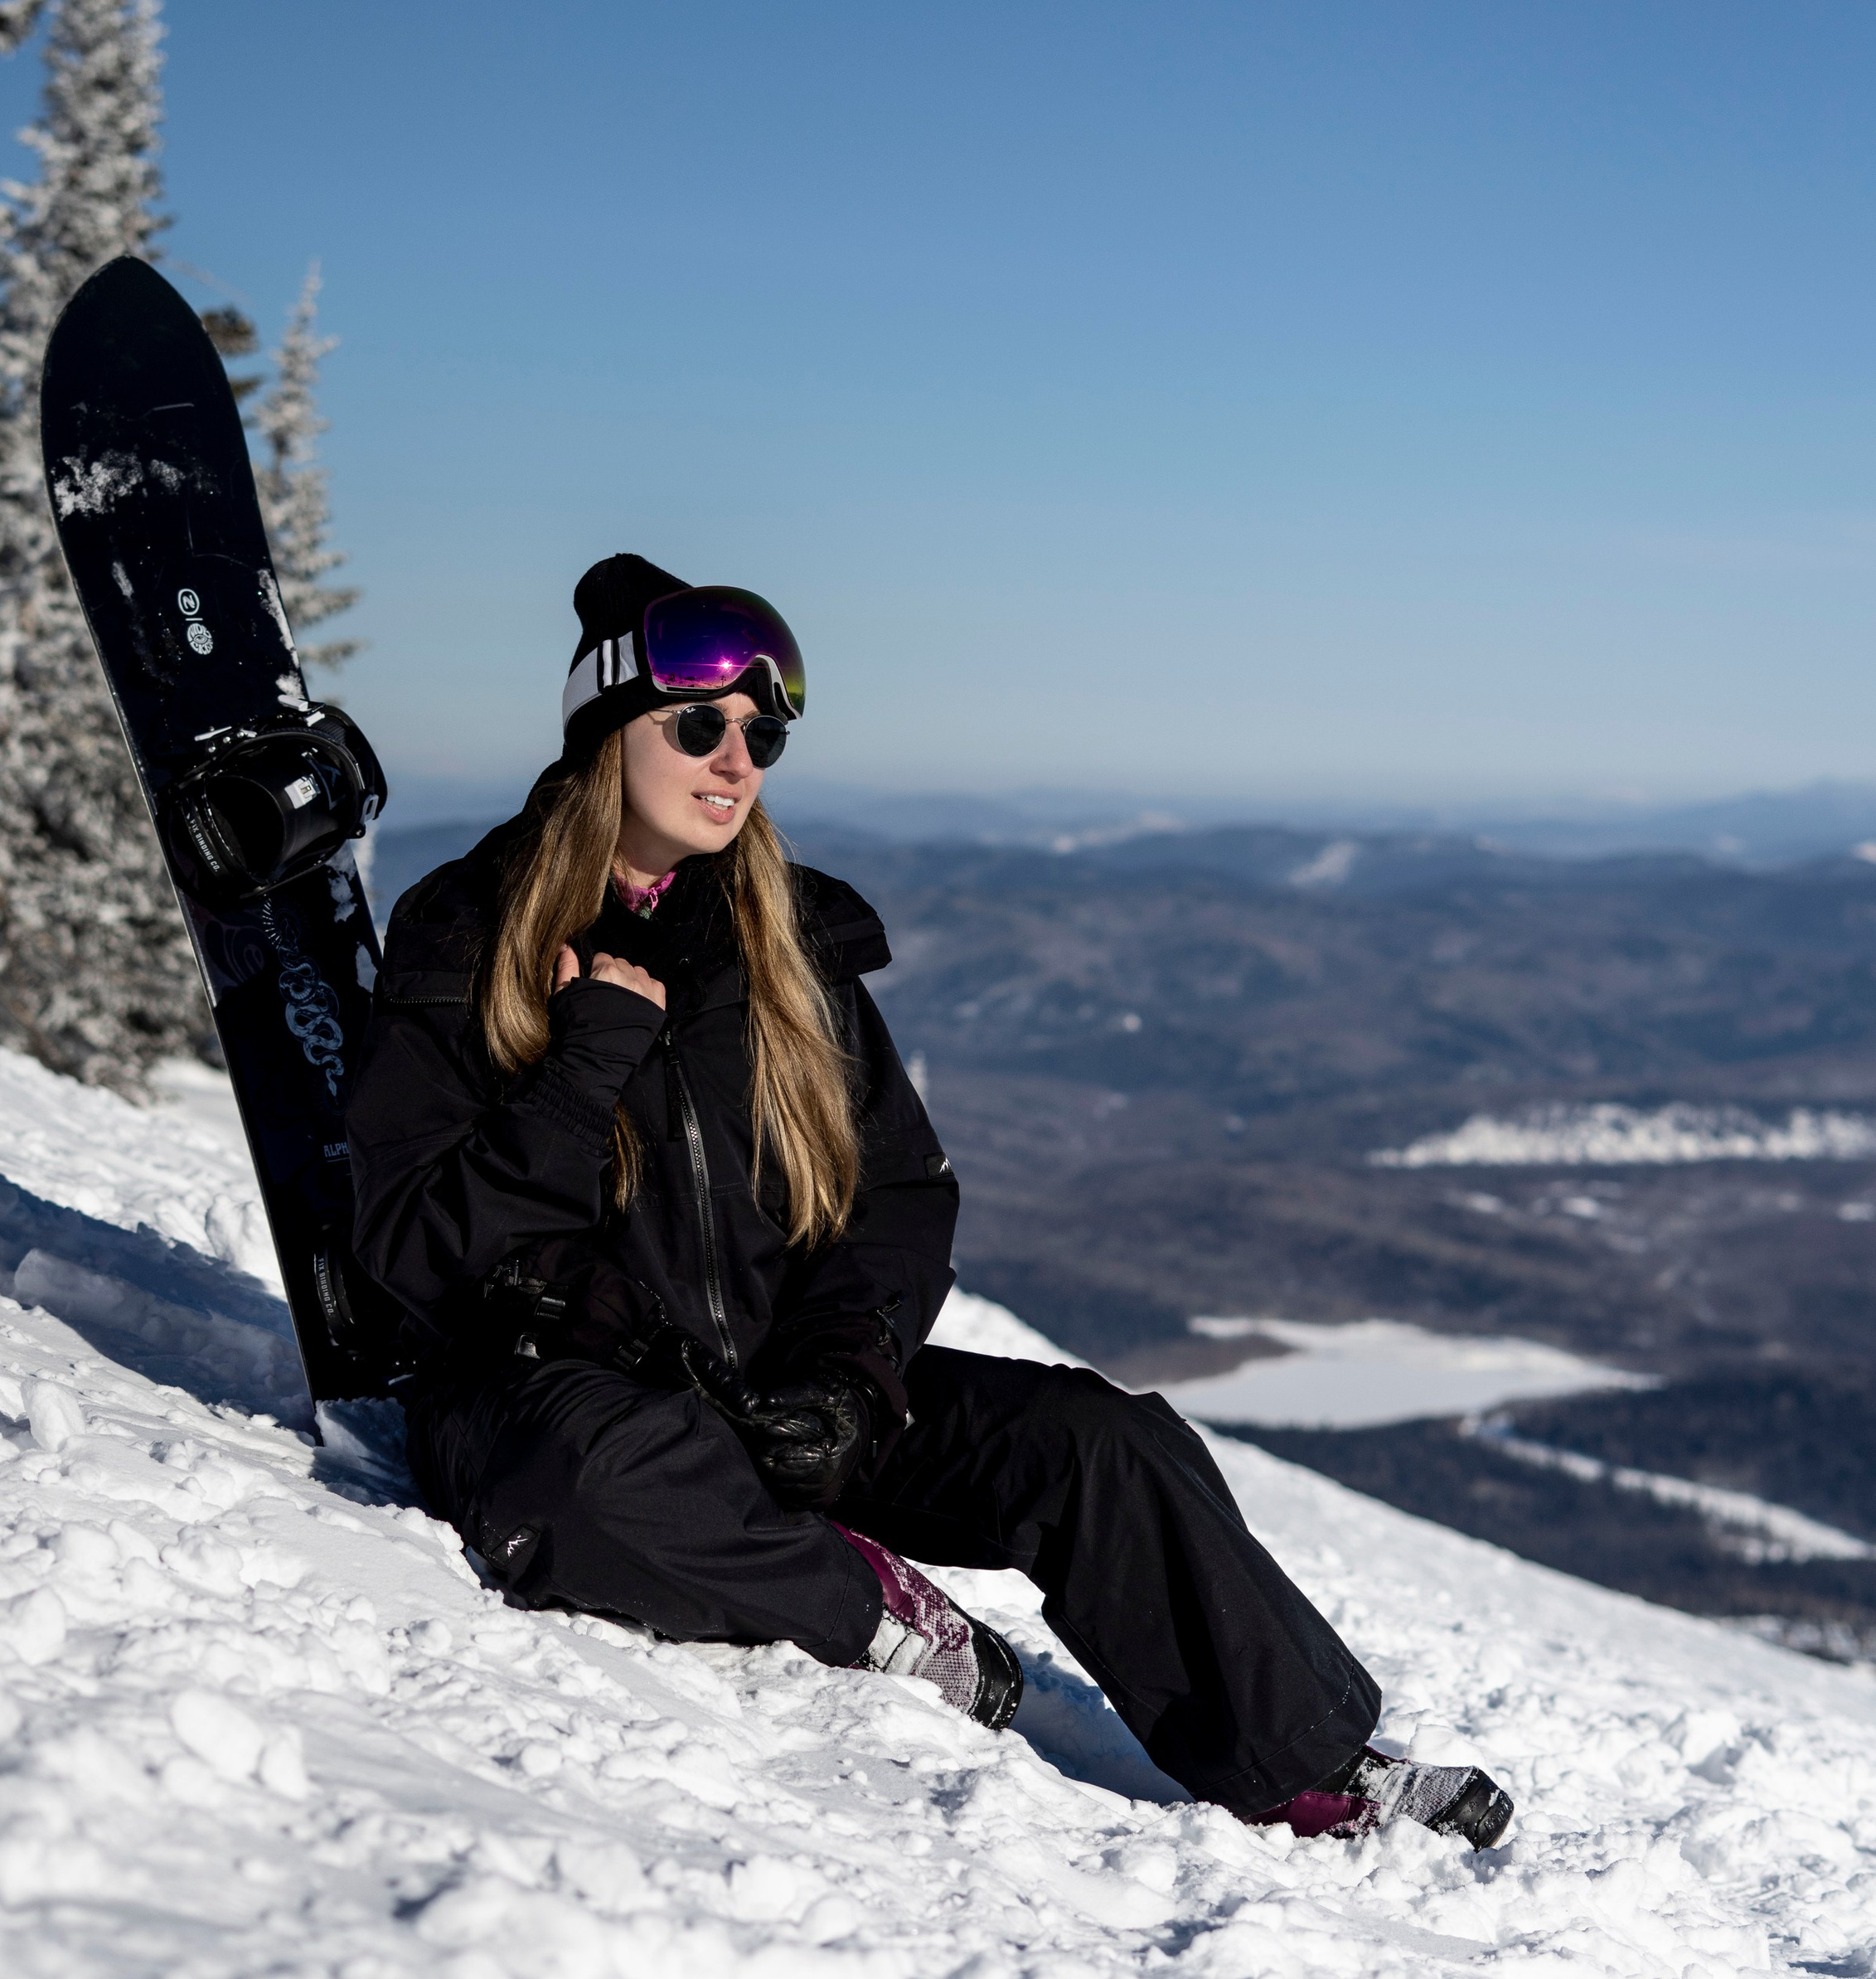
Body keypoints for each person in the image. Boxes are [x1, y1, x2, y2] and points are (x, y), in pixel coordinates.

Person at [348, 555, 1514, 1848]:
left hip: (771, 1390)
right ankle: (869, 1606)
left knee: (1098, 1439)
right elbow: (417, 1246)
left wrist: (850, 1377)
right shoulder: (471, 931)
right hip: (558, 1396)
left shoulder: (782, 945)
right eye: (699, 727)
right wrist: (585, 1062)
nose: (736, 760)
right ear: (605, 729)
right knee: (588, 1478)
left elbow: (898, 1192)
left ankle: (1303, 1761)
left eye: (762, 732)